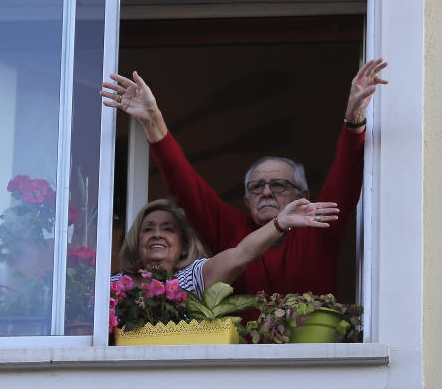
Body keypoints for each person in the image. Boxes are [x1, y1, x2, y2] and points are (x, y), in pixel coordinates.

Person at [101, 58, 388, 297]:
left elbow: (347, 174)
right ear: (247, 201)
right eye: (256, 187)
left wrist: (355, 119)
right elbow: (184, 183)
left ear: (303, 197)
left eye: (278, 185)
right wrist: (152, 119)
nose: (266, 192)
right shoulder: (231, 230)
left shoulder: (318, 226)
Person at [113, 197, 338, 295]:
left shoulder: (191, 278)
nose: (157, 235)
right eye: (148, 229)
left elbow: (241, 254)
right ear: (136, 241)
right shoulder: (112, 286)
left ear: (183, 245)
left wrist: (280, 223)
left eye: (168, 229)